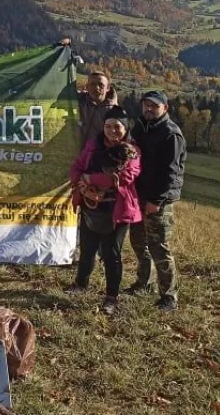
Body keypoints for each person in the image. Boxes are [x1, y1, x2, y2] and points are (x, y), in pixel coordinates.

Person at [67, 107, 142, 315]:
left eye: (117, 126)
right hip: (91, 206)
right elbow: (77, 166)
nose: (112, 130)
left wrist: (89, 179)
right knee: (88, 249)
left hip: (116, 209)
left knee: (111, 254)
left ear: (125, 128)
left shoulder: (132, 151)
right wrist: (81, 184)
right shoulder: (93, 145)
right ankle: (81, 283)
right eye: (108, 126)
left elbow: (125, 177)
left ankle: (111, 297)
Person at [127, 91, 186, 312]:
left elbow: (170, 173)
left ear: (165, 108)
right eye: (146, 105)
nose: (149, 109)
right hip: (137, 197)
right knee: (138, 242)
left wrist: (156, 200)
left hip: (158, 201)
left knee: (159, 247)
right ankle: (144, 283)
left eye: (155, 106)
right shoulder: (141, 127)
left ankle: (169, 296)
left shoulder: (170, 134)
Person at [77, 71, 118, 146]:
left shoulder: (114, 111)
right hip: (79, 154)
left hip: (101, 154)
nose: (96, 88)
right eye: (92, 84)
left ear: (108, 88)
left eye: (101, 85)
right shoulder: (81, 100)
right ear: (87, 87)